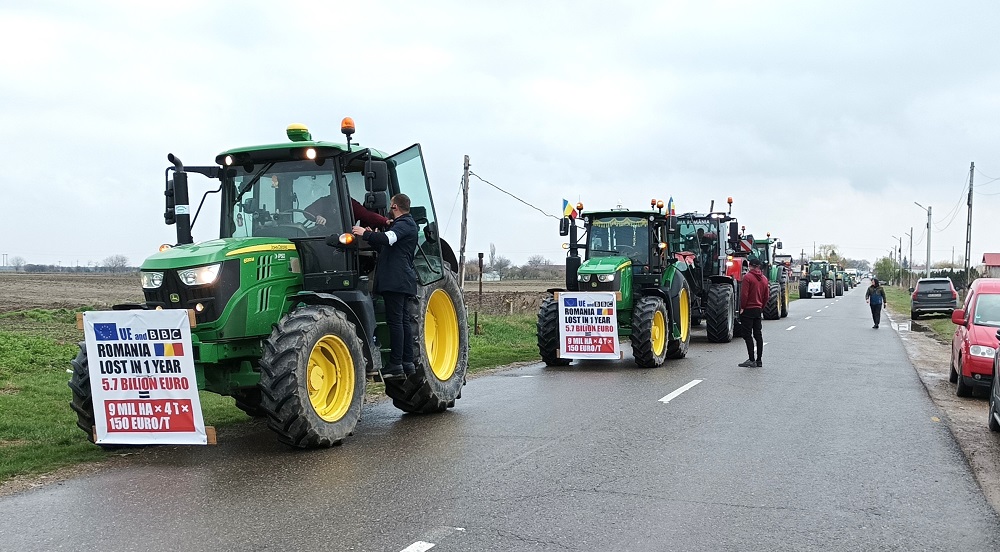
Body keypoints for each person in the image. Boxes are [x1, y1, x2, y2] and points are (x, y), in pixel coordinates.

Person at [352, 193, 418, 379]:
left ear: (395, 206)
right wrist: (372, 234)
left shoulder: (404, 223)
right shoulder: (405, 224)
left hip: (396, 280)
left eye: (391, 205)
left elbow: (389, 239)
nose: (389, 208)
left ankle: (396, 363)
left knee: (396, 321)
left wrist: (365, 234)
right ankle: (407, 362)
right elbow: (388, 248)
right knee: (402, 321)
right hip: (400, 280)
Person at [304, 193, 390, 236]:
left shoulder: (350, 204)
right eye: (332, 187)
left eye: (335, 187)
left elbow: (367, 215)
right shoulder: (324, 201)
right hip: (322, 236)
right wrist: (317, 216)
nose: (333, 190)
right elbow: (307, 211)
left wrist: (385, 221)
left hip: (343, 238)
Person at [738, 257, 769, 367]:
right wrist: (761, 307)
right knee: (758, 335)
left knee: (747, 335)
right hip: (758, 310)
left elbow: (744, 294)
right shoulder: (764, 279)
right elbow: (766, 296)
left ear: (750, 265)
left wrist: (742, 307)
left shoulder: (748, 277)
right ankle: (759, 360)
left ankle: (751, 359)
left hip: (748, 309)